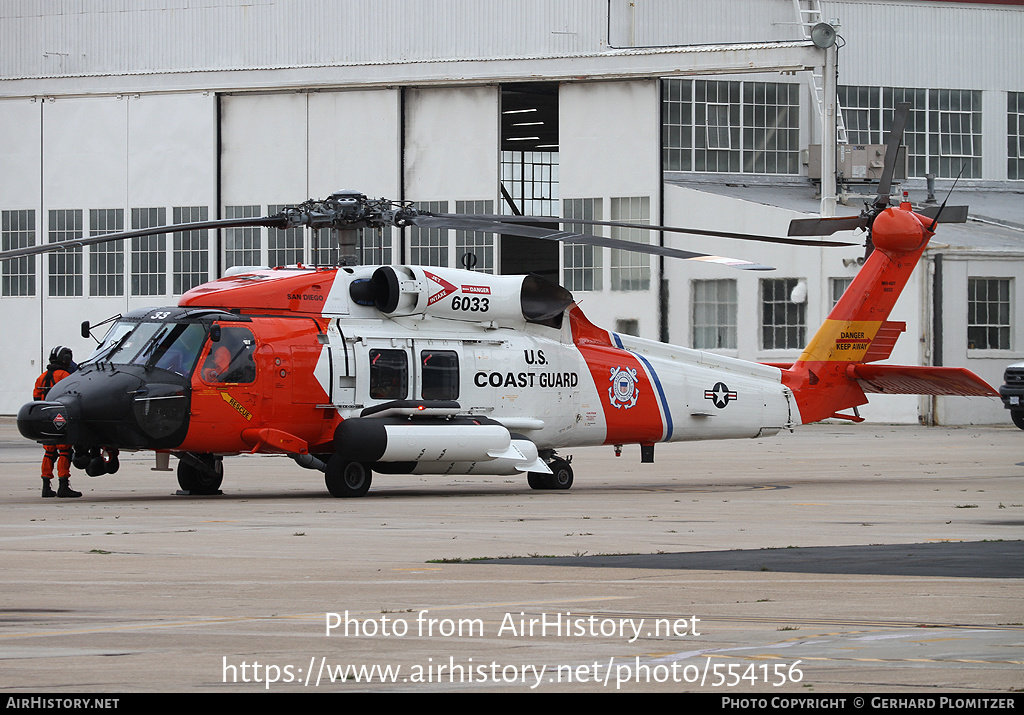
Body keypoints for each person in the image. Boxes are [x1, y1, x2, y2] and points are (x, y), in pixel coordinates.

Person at [34, 346, 81, 498]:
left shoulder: (42, 377)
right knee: (65, 452)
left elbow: (36, 398)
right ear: (66, 360)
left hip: (44, 419)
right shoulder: (65, 376)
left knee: (49, 452)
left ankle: (45, 486)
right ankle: (63, 485)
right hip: (60, 419)